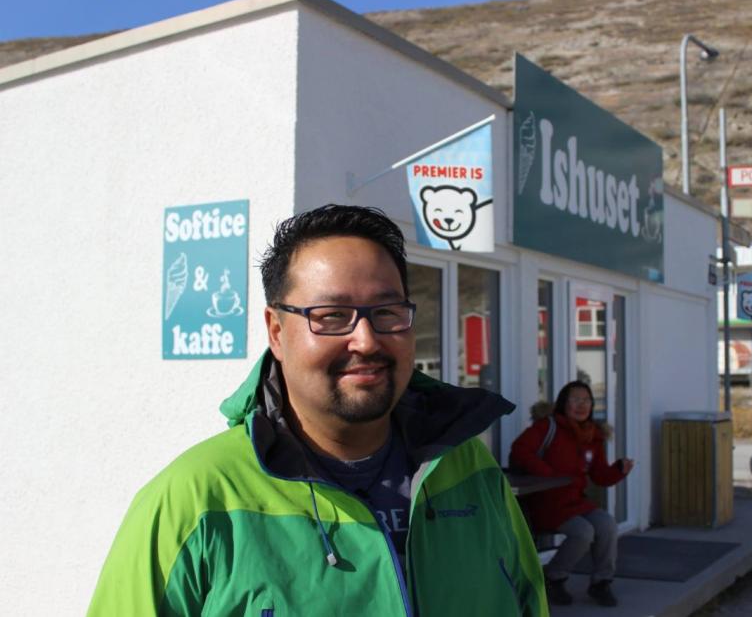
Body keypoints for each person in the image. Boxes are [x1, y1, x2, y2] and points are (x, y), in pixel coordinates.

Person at [88, 204, 547, 616]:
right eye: (330, 316)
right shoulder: (194, 499)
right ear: (276, 331)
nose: (366, 341)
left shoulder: (469, 468)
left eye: (386, 312)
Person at [509, 380, 634, 608]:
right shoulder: (548, 427)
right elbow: (519, 450)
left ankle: (601, 583)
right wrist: (550, 475)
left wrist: (618, 470)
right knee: (583, 532)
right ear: (563, 404)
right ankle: (553, 578)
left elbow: (599, 476)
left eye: (586, 400)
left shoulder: (592, 435)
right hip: (545, 501)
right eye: (575, 400)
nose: (581, 405)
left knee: (607, 524)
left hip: (575, 502)